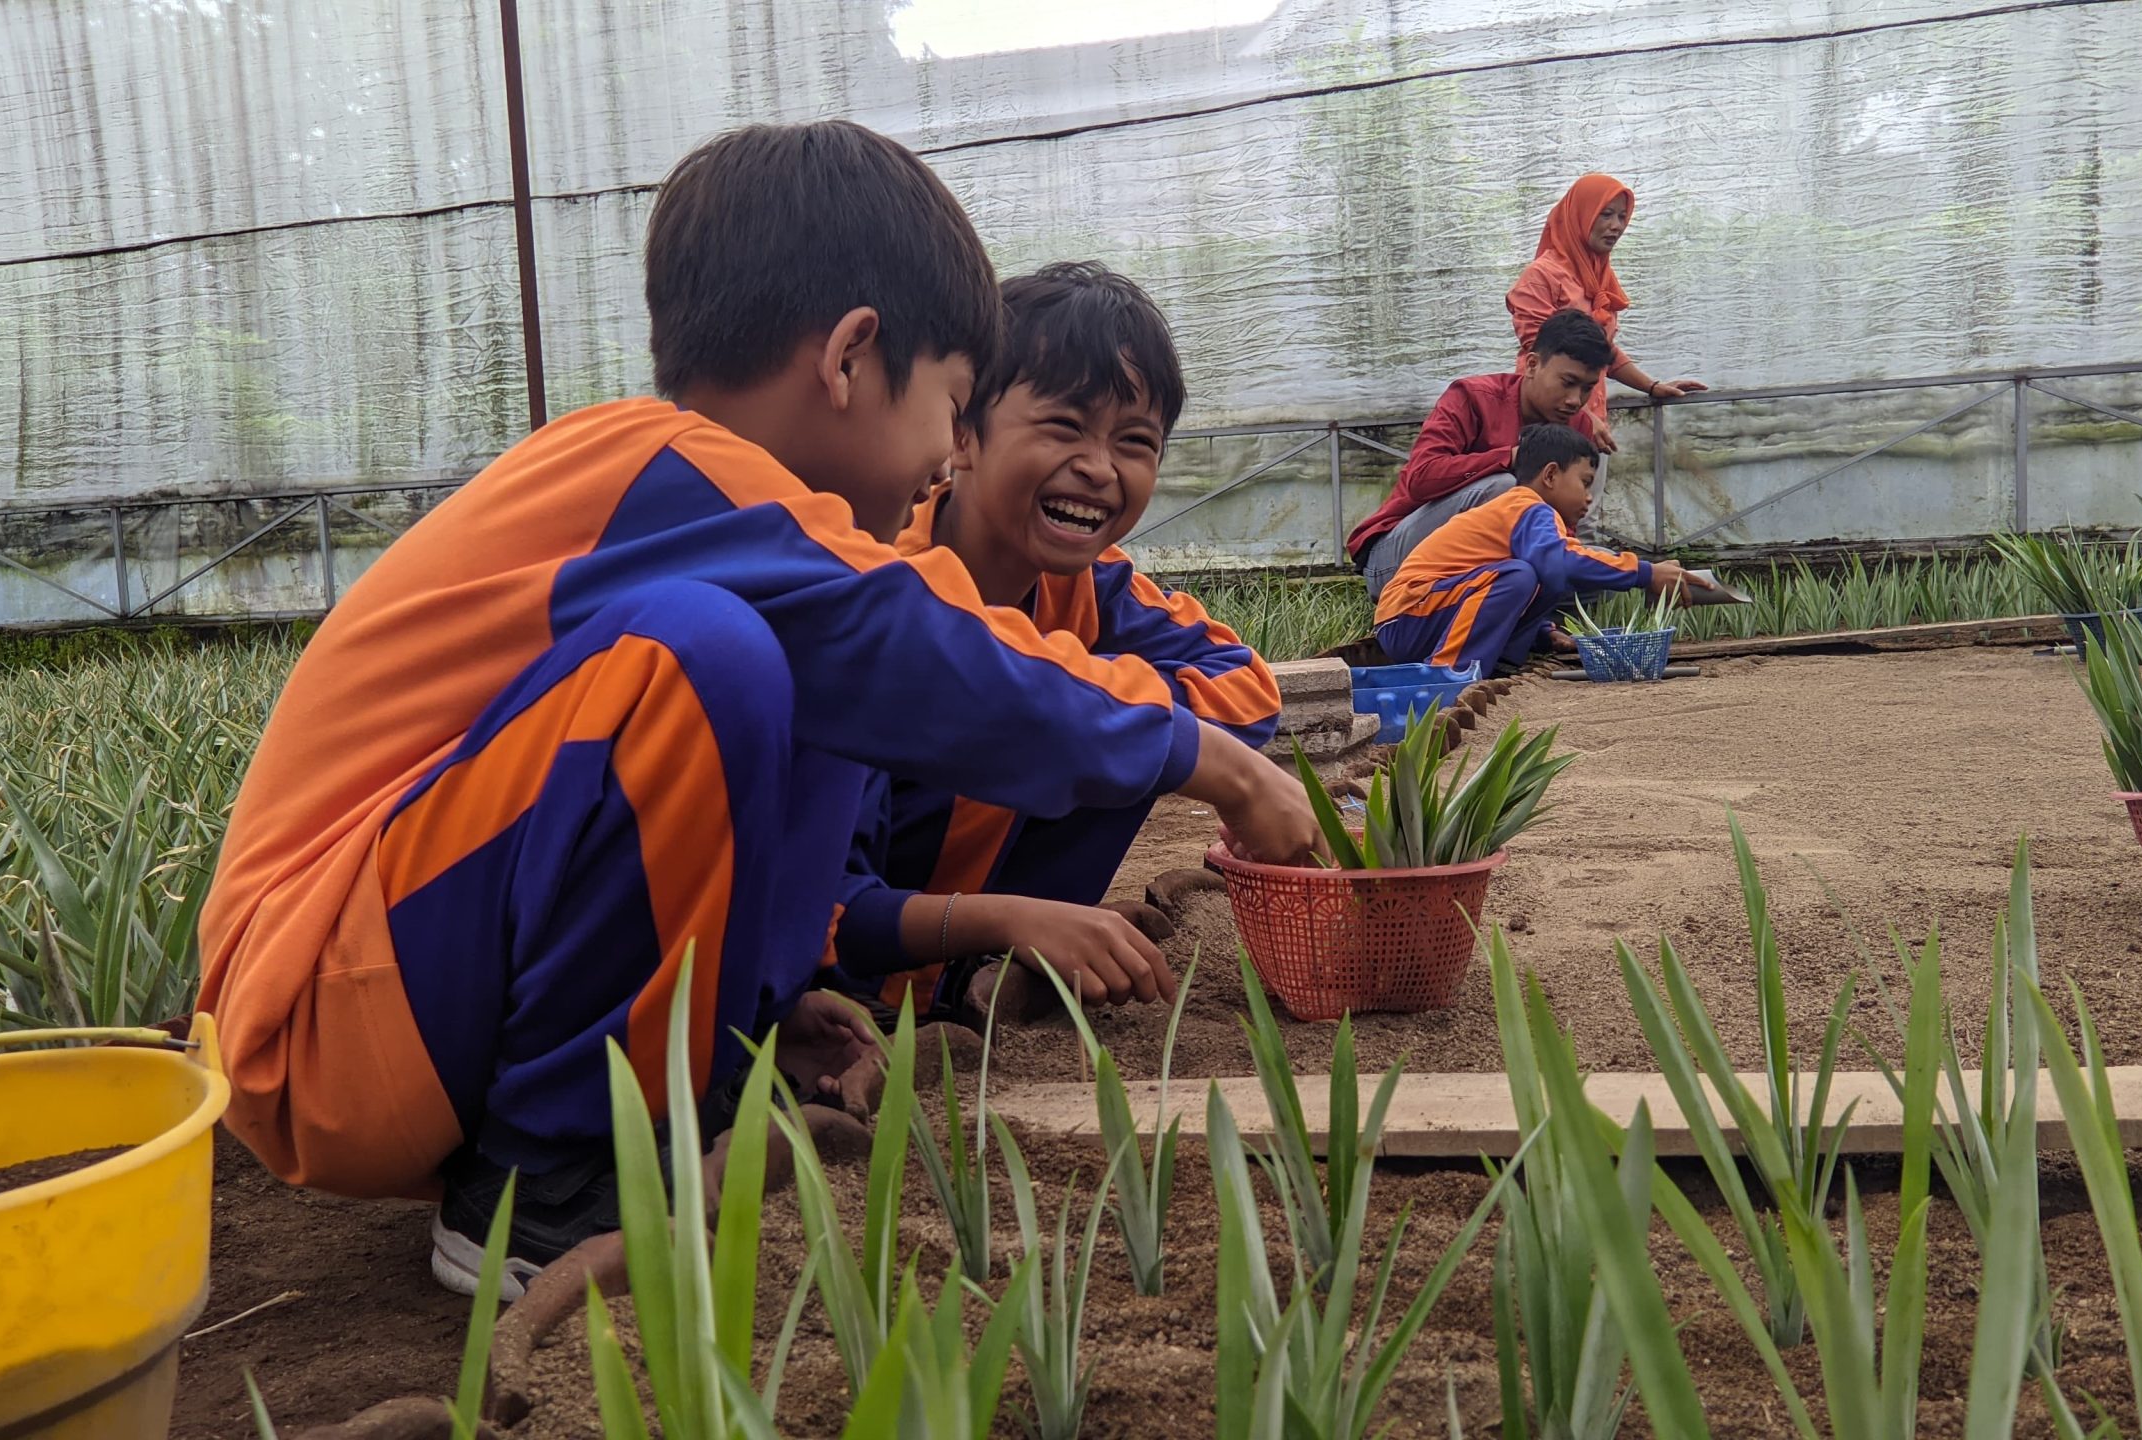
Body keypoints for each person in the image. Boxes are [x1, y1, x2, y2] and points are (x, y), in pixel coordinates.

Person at [195, 122, 1320, 1299]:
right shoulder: (657, 475)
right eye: (951, 406)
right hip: (312, 1021)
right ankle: (542, 1188)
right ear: (850, 357)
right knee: (710, 652)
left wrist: (767, 1009)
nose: (948, 456)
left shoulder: (743, 532)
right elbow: (929, 647)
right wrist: (1213, 760)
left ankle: (710, 1072)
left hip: (402, 1002)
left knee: (800, 673)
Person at [829, 261, 1281, 1026]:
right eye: (1064, 427)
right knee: (1072, 722)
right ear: (962, 433)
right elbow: (826, 901)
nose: (1099, 468)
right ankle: (945, 971)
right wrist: (1076, 711)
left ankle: (1008, 957)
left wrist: (1098, 706)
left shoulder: (1091, 587)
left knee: (1109, 722)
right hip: (853, 941)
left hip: (987, 921)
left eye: (1134, 441)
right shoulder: (883, 592)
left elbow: (1246, 686)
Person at [1374, 424, 1695, 674]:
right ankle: (1449, 674)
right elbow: (1561, 562)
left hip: (1414, 618)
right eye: (1585, 482)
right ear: (1551, 475)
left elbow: (1530, 578)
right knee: (1521, 574)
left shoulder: (1523, 515)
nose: (1588, 497)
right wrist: (1644, 572)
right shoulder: (1529, 507)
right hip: (1409, 613)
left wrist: (1543, 633)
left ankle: (1494, 664)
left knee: (1538, 574)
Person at [1350, 309, 1616, 602]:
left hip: (1495, 567)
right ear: (1532, 365)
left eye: (1587, 388)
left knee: (1611, 566)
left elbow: (1564, 523)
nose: (1575, 400)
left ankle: (1517, 608)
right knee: (1504, 488)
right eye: (1567, 382)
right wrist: (1512, 458)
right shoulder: (1472, 397)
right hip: (1399, 562)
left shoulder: (1577, 426)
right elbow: (1420, 479)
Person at [1505, 172, 1707, 448]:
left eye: (1622, 217)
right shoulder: (1541, 276)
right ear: (1580, 214)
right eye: (1606, 214)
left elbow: (1603, 351)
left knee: (1585, 477)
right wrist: (1583, 418)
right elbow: (1543, 359)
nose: (1616, 226)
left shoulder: (1598, 278)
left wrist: (1651, 386)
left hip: (1588, 419)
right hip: (1548, 423)